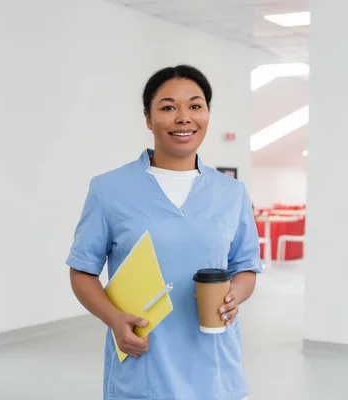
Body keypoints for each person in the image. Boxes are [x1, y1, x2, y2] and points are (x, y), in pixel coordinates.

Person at [66, 64, 262, 400]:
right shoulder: (109, 189)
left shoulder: (232, 193)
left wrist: (233, 297)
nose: (184, 117)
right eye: (168, 107)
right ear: (148, 118)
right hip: (143, 363)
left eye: (195, 106)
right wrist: (114, 319)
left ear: (208, 114)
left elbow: (246, 267)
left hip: (216, 367)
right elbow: (82, 271)